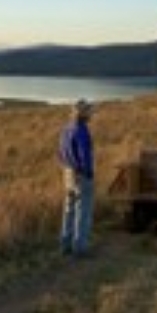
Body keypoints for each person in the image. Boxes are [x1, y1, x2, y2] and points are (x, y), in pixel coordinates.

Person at [58, 98, 95, 257]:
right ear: (83, 114)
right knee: (83, 210)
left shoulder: (66, 129)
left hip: (68, 172)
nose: (91, 114)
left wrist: (66, 167)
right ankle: (80, 248)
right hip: (81, 173)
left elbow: (60, 152)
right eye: (88, 111)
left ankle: (65, 245)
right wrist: (88, 171)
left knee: (68, 210)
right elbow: (84, 154)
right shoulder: (82, 130)